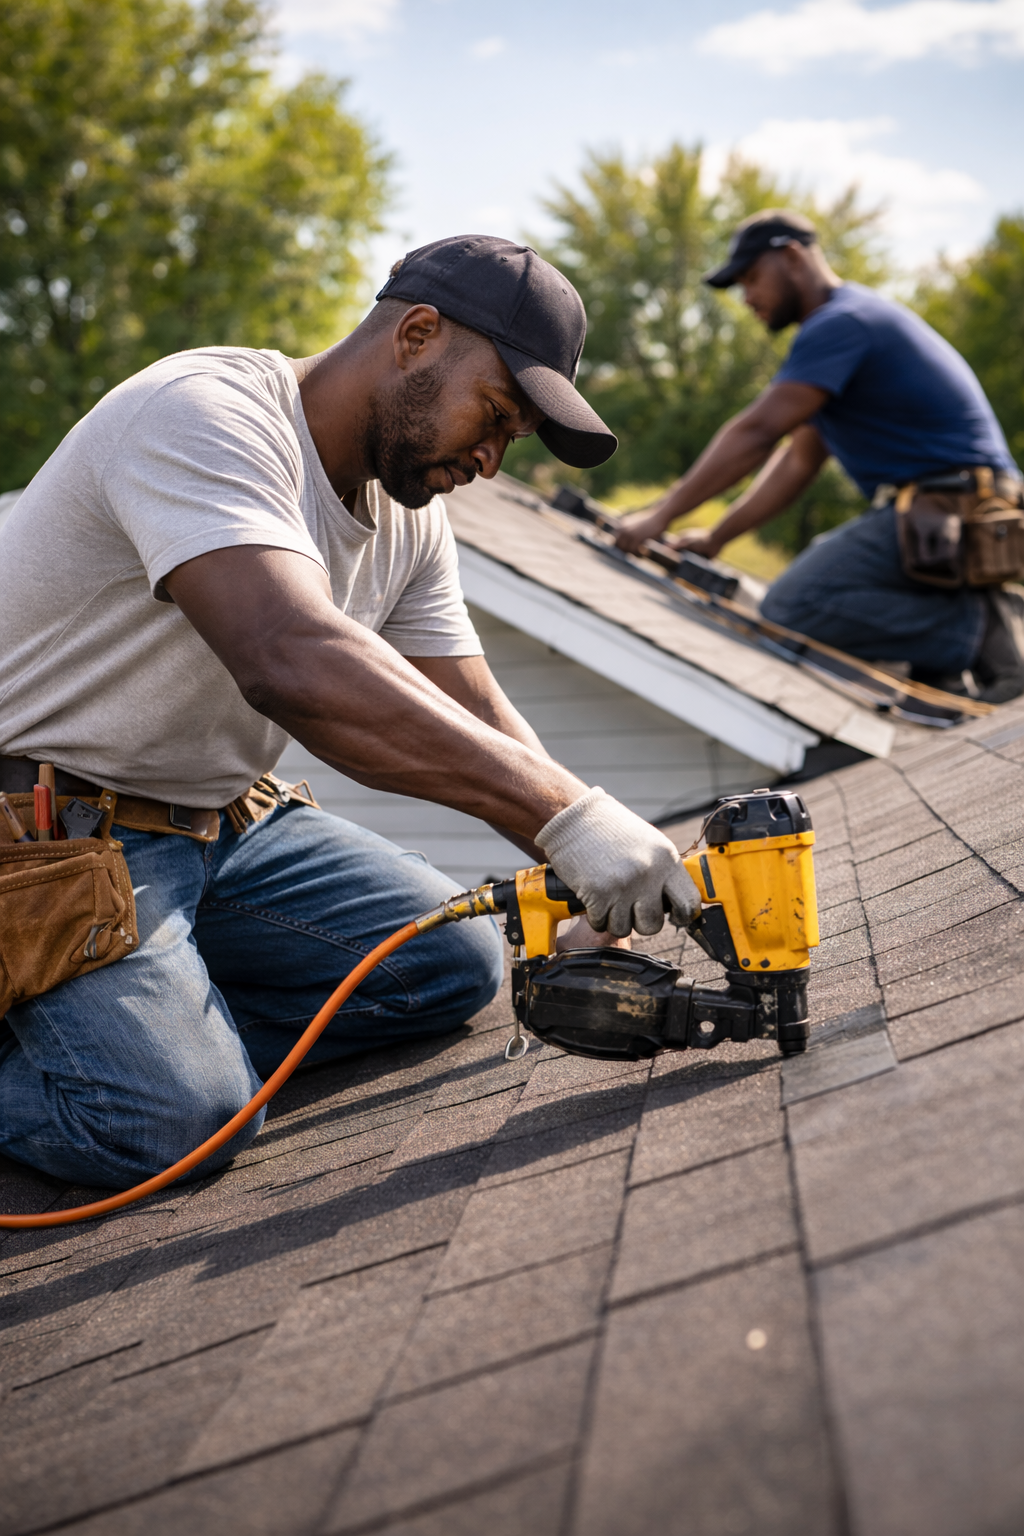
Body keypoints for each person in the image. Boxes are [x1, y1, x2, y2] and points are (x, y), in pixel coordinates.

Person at [0, 235, 700, 1190]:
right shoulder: (202, 416)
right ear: (416, 335)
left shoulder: (409, 515)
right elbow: (292, 660)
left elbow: (472, 703)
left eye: (513, 441)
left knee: (452, 962)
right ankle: (135, 1065)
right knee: (174, 1122)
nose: (491, 460)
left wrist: (578, 866)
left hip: (217, 826)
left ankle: (145, 1027)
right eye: (492, 416)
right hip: (44, 838)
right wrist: (563, 819)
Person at [615, 210, 1024, 700]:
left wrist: (657, 518)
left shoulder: (841, 323)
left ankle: (981, 630)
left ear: (791, 256)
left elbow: (758, 430)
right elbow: (798, 460)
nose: (747, 298)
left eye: (752, 278)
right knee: (816, 600)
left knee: (793, 607)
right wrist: (717, 537)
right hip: (941, 512)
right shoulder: (845, 331)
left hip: (954, 511)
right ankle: (946, 663)